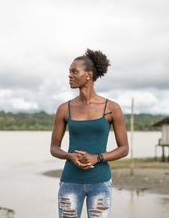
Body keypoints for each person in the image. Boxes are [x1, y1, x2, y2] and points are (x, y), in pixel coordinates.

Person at [50, 48, 129, 218]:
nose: (69, 76)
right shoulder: (64, 109)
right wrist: (69, 156)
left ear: (89, 74)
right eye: (69, 72)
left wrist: (97, 157)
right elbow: (54, 147)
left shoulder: (112, 108)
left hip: (100, 182)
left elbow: (124, 149)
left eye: (74, 71)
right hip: (70, 181)